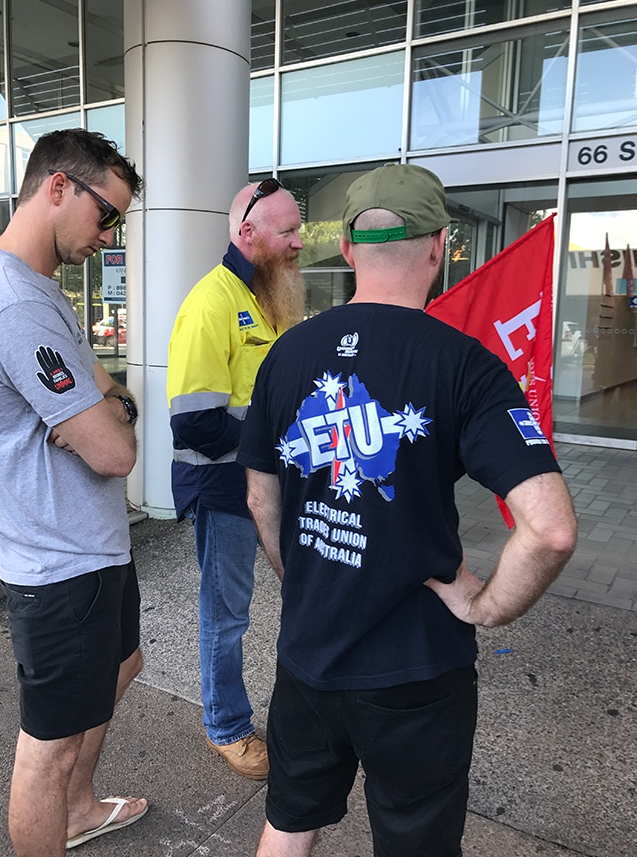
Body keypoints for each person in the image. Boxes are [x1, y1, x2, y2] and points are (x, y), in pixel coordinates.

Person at [237, 164, 578, 856]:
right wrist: (484, 606)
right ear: (439, 245)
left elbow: (257, 494)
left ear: (351, 251)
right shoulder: (468, 365)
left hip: (309, 651)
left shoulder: (286, 353)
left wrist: (300, 578)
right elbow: (550, 528)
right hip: (418, 668)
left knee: (289, 821)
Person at [0, 129, 146, 857]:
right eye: (106, 214)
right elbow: (115, 449)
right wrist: (108, 415)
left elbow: (113, 397)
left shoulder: (43, 294)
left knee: (124, 664)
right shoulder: (16, 305)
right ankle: (62, 807)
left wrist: (107, 406)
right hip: (58, 565)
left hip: (93, 546)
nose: (109, 234)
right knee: (45, 748)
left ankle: (79, 809)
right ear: (58, 186)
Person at [166, 178, 304, 780]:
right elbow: (195, 421)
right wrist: (272, 453)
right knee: (227, 615)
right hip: (226, 493)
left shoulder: (271, 296)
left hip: (267, 486)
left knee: (277, 603)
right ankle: (226, 726)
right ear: (248, 233)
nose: (300, 242)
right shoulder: (212, 301)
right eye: (289, 231)